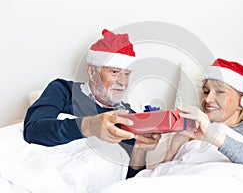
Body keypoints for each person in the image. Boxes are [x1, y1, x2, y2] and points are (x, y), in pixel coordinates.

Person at [23, 29, 161, 179]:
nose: (122, 82)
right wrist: (90, 126)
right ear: (91, 71)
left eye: (126, 74)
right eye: (114, 72)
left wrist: (139, 151)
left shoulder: (129, 116)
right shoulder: (63, 90)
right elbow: (33, 131)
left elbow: (130, 182)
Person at [162, 58, 243, 189]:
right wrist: (174, 148)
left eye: (220, 91)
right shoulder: (192, 130)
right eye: (206, 92)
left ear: (242, 102)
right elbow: (163, 176)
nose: (207, 99)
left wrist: (214, 136)